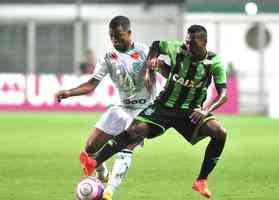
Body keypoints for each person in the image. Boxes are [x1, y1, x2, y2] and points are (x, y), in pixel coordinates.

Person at [79, 24, 228, 199]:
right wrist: (151, 64)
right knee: (134, 130)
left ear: (204, 43)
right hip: (164, 107)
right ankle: (94, 162)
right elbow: (156, 45)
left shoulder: (214, 62)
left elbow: (223, 95)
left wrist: (206, 110)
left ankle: (201, 180)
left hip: (191, 112)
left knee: (220, 132)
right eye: (186, 42)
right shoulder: (177, 49)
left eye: (192, 44)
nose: (188, 46)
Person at [55, 15, 163, 200]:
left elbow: (161, 63)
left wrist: (153, 70)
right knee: (90, 147)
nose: (114, 40)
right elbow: (91, 84)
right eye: (111, 36)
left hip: (146, 111)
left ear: (129, 33)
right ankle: (101, 173)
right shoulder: (108, 57)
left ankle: (108, 191)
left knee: (127, 146)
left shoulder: (145, 51)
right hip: (122, 108)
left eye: (118, 36)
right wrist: (69, 93)